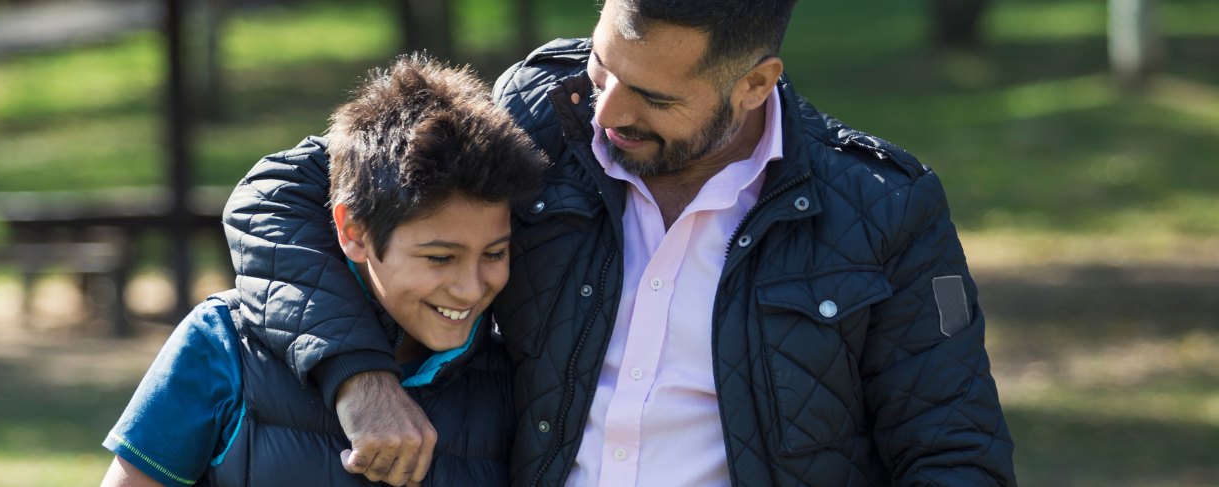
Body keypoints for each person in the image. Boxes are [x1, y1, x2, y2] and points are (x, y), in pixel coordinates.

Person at [220, 0, 1018, 486]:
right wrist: (359, 378)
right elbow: (275, 196)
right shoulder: (540, 110)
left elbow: (954, 455)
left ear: (755, 83)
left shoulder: (884, 208)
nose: (605, 113)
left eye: (653, 98)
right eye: (605, 67)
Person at [99, 55, 548, 487]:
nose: (470, 289)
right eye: (440, 258)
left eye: (494, 254)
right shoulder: (224, 342)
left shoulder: (519, 379)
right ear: (354, 232)